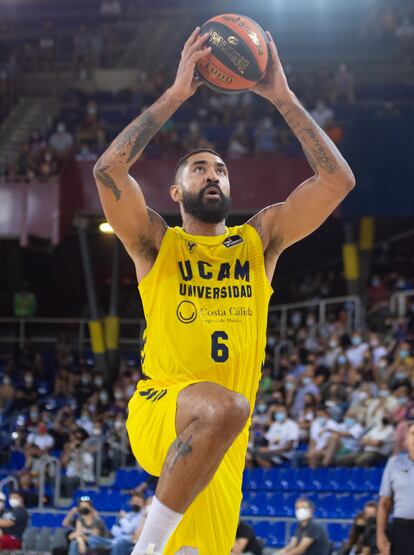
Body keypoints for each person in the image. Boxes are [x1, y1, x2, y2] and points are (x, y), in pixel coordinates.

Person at [93, 27, 355, 555]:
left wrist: (281, 96)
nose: (212, 174)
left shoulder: (259, 240)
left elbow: (337, 183)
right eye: (198, 168)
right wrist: (175, 95)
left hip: (222, 439)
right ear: (176, 191)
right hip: (161, 409)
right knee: (226, 407)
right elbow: (108, 170)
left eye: (220, 168)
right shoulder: (155, 243)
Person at [377, 421, 414, 555]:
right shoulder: (394, 463)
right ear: (407, 438)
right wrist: (380, 534)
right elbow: (384, 503)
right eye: (413, 434)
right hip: (401, 529)